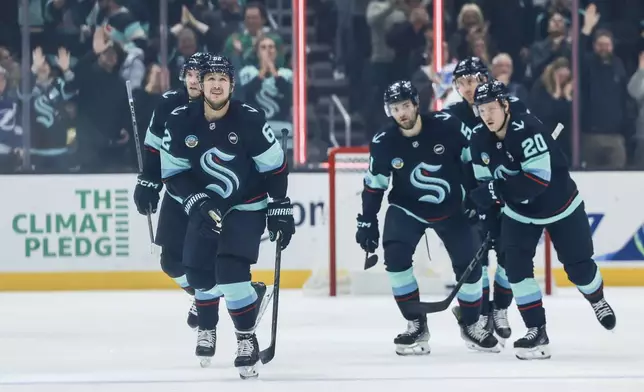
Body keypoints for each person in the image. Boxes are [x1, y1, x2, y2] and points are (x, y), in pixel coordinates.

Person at [159, 55, 295, 378]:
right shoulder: (180, 120)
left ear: (232, 84)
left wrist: (280, 205)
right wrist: (195, 200)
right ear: (201, 85)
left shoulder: (248, 119)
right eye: (210, 79)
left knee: (231, 273)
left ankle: (246, 338)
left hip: (246, 204)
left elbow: (275, 167)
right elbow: (173, 173)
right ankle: (248, 298)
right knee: (200, 277)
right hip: (207, 206)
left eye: (223, 79)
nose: (217, 85)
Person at [468, 80, 616, 360]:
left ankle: (597, 300)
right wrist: (489, 219)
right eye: (481, 109)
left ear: (504, 106)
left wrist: (495, 192)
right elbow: (484, 182)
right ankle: (537, 331)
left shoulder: (527, 129)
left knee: (579, 269)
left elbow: (536, 182)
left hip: (562, 206)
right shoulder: (478, 139)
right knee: (516, 269)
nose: (486, 115)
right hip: (519, 214)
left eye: (491, 108)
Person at [355, 80, 500, 356]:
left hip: (452, 206)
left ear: (416, 105)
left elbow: (475, 160)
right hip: (407, 208)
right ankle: (416, 324)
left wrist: (478, 198)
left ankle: (470, 324)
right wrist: (367, 221)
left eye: (406, 106)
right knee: (395, 259)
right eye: (395, 109)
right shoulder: (384, 142)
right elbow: (375, 186)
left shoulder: (448, 125)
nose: (402, 114)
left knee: (471, 265)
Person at [446, 57, 529, 341]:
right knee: (476, 258)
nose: (466, 88)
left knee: (508, 255)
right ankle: (481, 312)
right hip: (472, 197)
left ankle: (500, 308)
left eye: (471, 80)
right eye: (460, 83)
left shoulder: (510, 105)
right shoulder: (452, 116)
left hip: (507, 192)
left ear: (484, 78)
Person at [133, 51, 210, 331]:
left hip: (208, 196)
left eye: (199, 75)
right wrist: (148, 180)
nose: (193, 80)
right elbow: (154, 147)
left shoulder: (218, 106)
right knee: (170, 262)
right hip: (177, 192)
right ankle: (208, 296)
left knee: (204, 258)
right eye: (189, 73)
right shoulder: (169, 103)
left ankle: (222, 296)